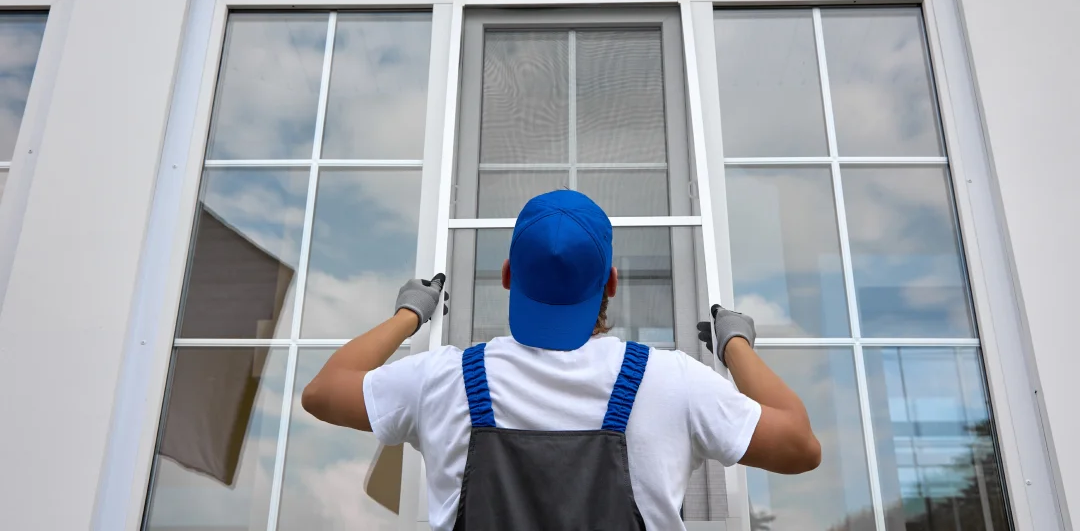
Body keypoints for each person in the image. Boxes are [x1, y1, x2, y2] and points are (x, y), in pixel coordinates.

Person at [302, 190, 821, 530]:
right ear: (610, 285)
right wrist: (734, 347)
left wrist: (410, 316)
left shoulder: (442, 380)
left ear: (507, 275)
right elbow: (800, 445)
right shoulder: (671, 383)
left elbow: (323, 391)